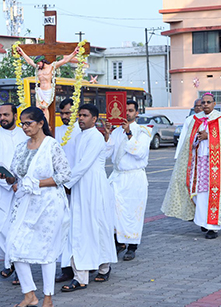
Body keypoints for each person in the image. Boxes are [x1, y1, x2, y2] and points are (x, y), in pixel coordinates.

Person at [1, 107, 70, 307]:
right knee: (15, 246)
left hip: (48, 204)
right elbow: (15, 174)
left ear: (41, 123)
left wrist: (38, 183)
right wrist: (7, 178)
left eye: (28, 123)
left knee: (46, 250)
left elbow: (65, 175)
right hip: (25, 202)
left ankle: (48, 297)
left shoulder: (51, 145)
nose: (24, 127)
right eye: (22, 123)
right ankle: (29, 294)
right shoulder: (22, 147)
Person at [162, 93, 221, 239]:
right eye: (203, 103)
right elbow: (187, 142)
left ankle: (213, 227)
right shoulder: (195, 120)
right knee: (199, 193)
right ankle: (203, 221)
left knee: (212, 193)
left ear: (214, 104)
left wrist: (209, 137)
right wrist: (197, 139)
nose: (205, 105)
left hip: (215, 164)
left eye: (208, 102)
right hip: (199, 163)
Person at [62, 104, 117, 292]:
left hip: (94, 187)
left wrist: (65, 183)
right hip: (80, 186)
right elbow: (74, 163)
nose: (80, 118)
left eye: (85, 115)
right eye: (79, 115)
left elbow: (84, 164)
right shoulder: (79, 136)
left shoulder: (95, 137)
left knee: (98, 227)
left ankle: (103, 267)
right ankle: (82, 274)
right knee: (81, 228)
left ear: (94, 119)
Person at [0, 103, 28, 283]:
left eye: (6, 115)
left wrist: (19, 183)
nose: (3, 118)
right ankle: (11, 263)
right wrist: (9, 183)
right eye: (0, 115)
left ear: (15, 116)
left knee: (19, 230)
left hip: (23, 190)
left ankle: (18, 268)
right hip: (0, 191)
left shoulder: (25, 135)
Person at [104, 100, 151, 261]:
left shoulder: (142, 131)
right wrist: (107, 135)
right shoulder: (117, 132)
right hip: (118, 176)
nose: (128, 113)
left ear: (137, 113)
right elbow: (106, 153)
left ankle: (132, 246)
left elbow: (139, 153)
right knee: (115, 210)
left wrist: (129, 133)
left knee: (133, 213)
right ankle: (119, 241)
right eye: (126, 110)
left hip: (134, 178)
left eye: (131, 111)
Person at [55, 98, 81, 283]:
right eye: (62, 113)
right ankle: (65, 268)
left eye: (68, 113)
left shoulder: (84, 132)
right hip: (60, 188)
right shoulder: (56, 132)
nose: (64, 117)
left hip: (80, 188)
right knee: (62, 228)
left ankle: (84, 265)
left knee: (80, 228)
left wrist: (70, 184)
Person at [17, 45, 79, 116]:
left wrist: (74, 53)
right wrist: (22, 53)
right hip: (40, 90)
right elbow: (29, 61)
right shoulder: (38, 68)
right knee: (38, 109)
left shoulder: (51, 67)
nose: (38, 65)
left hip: (47, 90)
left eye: (39, 63)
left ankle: (46, 125)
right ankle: (40, 124)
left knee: (44, 108)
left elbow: (64, 60)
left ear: (43, 61)